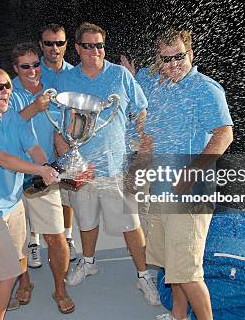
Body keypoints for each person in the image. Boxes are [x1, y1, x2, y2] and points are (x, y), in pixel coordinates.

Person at [55, 22, 161, 306]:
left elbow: (140, 111)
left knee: (130, 224)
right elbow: (57, 121)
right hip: (83, 169)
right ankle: (88, 262)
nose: (95, 51)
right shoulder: (66, 79)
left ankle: (143, 276)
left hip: (117, 167)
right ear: (77, 48)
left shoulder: (121, 76)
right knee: (86, 221)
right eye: (88, 46)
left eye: (99, 45)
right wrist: (66, 153)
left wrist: (141, 144)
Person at [135, 28, 233, 320]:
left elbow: (224, 135)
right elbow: (140, 80)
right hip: (161, 190)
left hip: (190, 196)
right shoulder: (157, 83)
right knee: (170, 263)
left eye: (179, 57)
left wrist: (192, 173)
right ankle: (178, 315)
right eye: (166, 59)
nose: (173, 64)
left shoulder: (206, 88)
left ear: (190, 54)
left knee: (188, 272)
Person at [0, 68, 59, 320]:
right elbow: (4, 159)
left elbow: (34, 147)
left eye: (7, 85)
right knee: (7, 273)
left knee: (13, 261)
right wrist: (40, 169)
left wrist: (48, 167)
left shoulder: (13, 119)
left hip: (13, 203)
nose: (5, 91)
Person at [8, 42, 75, 314]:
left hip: (44, 174)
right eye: (25, 66)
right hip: (11, 177)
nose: (33, 70)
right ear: (15, 68)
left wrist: (71, 161)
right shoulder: (6, 90)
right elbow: (4, 130)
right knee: (16, 238)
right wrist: (34, 108)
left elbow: (58, 131)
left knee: (56, 237)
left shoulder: (52, 91)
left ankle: (60, 288)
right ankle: (25, 282)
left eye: (36, 64)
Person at [35, 23, 78, 265]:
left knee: (65, 195)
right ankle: (33, 242)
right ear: (41, 45)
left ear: (66, 45)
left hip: (66, 144)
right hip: (37, 144)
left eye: (59, 43)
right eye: (49, 43)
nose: (54, 48)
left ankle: (68, 237)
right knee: (34, 192)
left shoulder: (74, 74)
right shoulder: (32, 70)